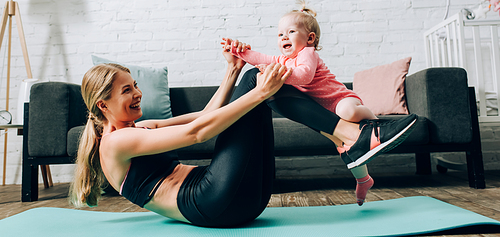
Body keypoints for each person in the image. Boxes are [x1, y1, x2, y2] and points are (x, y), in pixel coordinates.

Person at [70, 47, 416, 228]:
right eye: (127, 91)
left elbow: (204, 116)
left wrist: (233, 71)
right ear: (103, 104)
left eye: (135, 86)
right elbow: (198, 133)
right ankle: (350, 137)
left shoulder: (134, 131)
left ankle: (350, 137)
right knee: (259, 82)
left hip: (237, 200)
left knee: (260, 81)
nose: (138, 94)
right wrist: (257, 89)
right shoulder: (115, 144)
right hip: (213, 202)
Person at [222, 0, 417, 205]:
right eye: (280, 34)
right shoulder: (283, 60)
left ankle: (377, 125)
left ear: (310, 38)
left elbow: (304, 76)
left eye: (290, 32)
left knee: (348, 113)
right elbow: (260, 56)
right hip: (324, 110)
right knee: (345, 146)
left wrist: (276, 72)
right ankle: (363, 179)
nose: (284, 37)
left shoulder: (308, 53)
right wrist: (239, 51)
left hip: (340, 100)